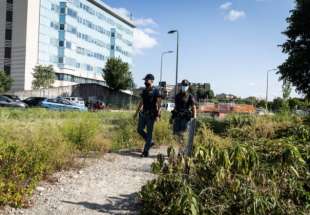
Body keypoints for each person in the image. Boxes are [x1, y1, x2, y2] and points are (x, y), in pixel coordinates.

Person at [134, 74, 161, 157]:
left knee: (149, 133)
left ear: (151, 80)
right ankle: (150, 142)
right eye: (145, 80)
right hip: (143, 114)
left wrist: (158, 115)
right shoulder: (144, 90)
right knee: (139, 129)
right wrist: (136, 113)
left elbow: (159, 104)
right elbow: (141, 102)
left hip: (151, 115)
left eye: (146, 80)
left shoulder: (156, 91)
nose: (145, 82)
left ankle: (145, 151)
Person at [172, 79, 197, 156]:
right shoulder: (177, 96)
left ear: (188, 86)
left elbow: (193, 107)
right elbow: (176, 107)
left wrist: (194, 117)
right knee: (176, 134)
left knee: (182, 134)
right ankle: (180, 149)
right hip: (177, 117)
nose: (184, 87)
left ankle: (181, 151)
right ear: (181, 86)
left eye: (186, 85)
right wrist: (172, 116)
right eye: (183, 85)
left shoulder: (190, 96)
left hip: (185, 118)